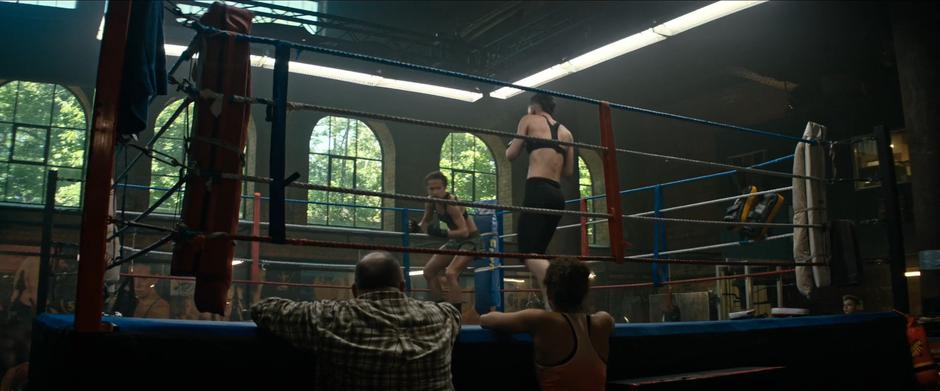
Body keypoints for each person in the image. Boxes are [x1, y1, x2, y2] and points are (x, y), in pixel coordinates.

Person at [251, 252, 462, 391]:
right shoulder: (442, 317)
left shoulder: (330, 317)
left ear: (353, 290)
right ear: (402, 286)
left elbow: (263, 309)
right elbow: (453, 309)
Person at [481, 258, 612, 391]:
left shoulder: (542, 321)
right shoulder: (604, 321)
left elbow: (486, 319)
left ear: (549, 294)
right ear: (585, 292)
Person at [505, 93, 575, 301]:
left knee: (527, 252)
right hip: (557, 195)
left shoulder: (528, 120)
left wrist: (519, 140)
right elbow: (569, 172)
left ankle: (556, 291)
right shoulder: (567, 133)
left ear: (533, 107)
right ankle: (550, 304)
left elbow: (510, 155)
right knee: (537, 252)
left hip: (537, 190)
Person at [416, 171, 481, 303]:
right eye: (431, 188)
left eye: (438, 188)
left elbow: (464, 232)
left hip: (471, 240)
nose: (435, 192)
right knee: (428, 271)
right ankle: (440, 308)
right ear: (427, 189)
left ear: (445, 188)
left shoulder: (451, 203)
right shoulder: (430, 202)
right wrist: (416, 227)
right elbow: (425, 223)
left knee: (451, 273)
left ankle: (455, 314)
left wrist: (440, 232)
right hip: (455, 240)